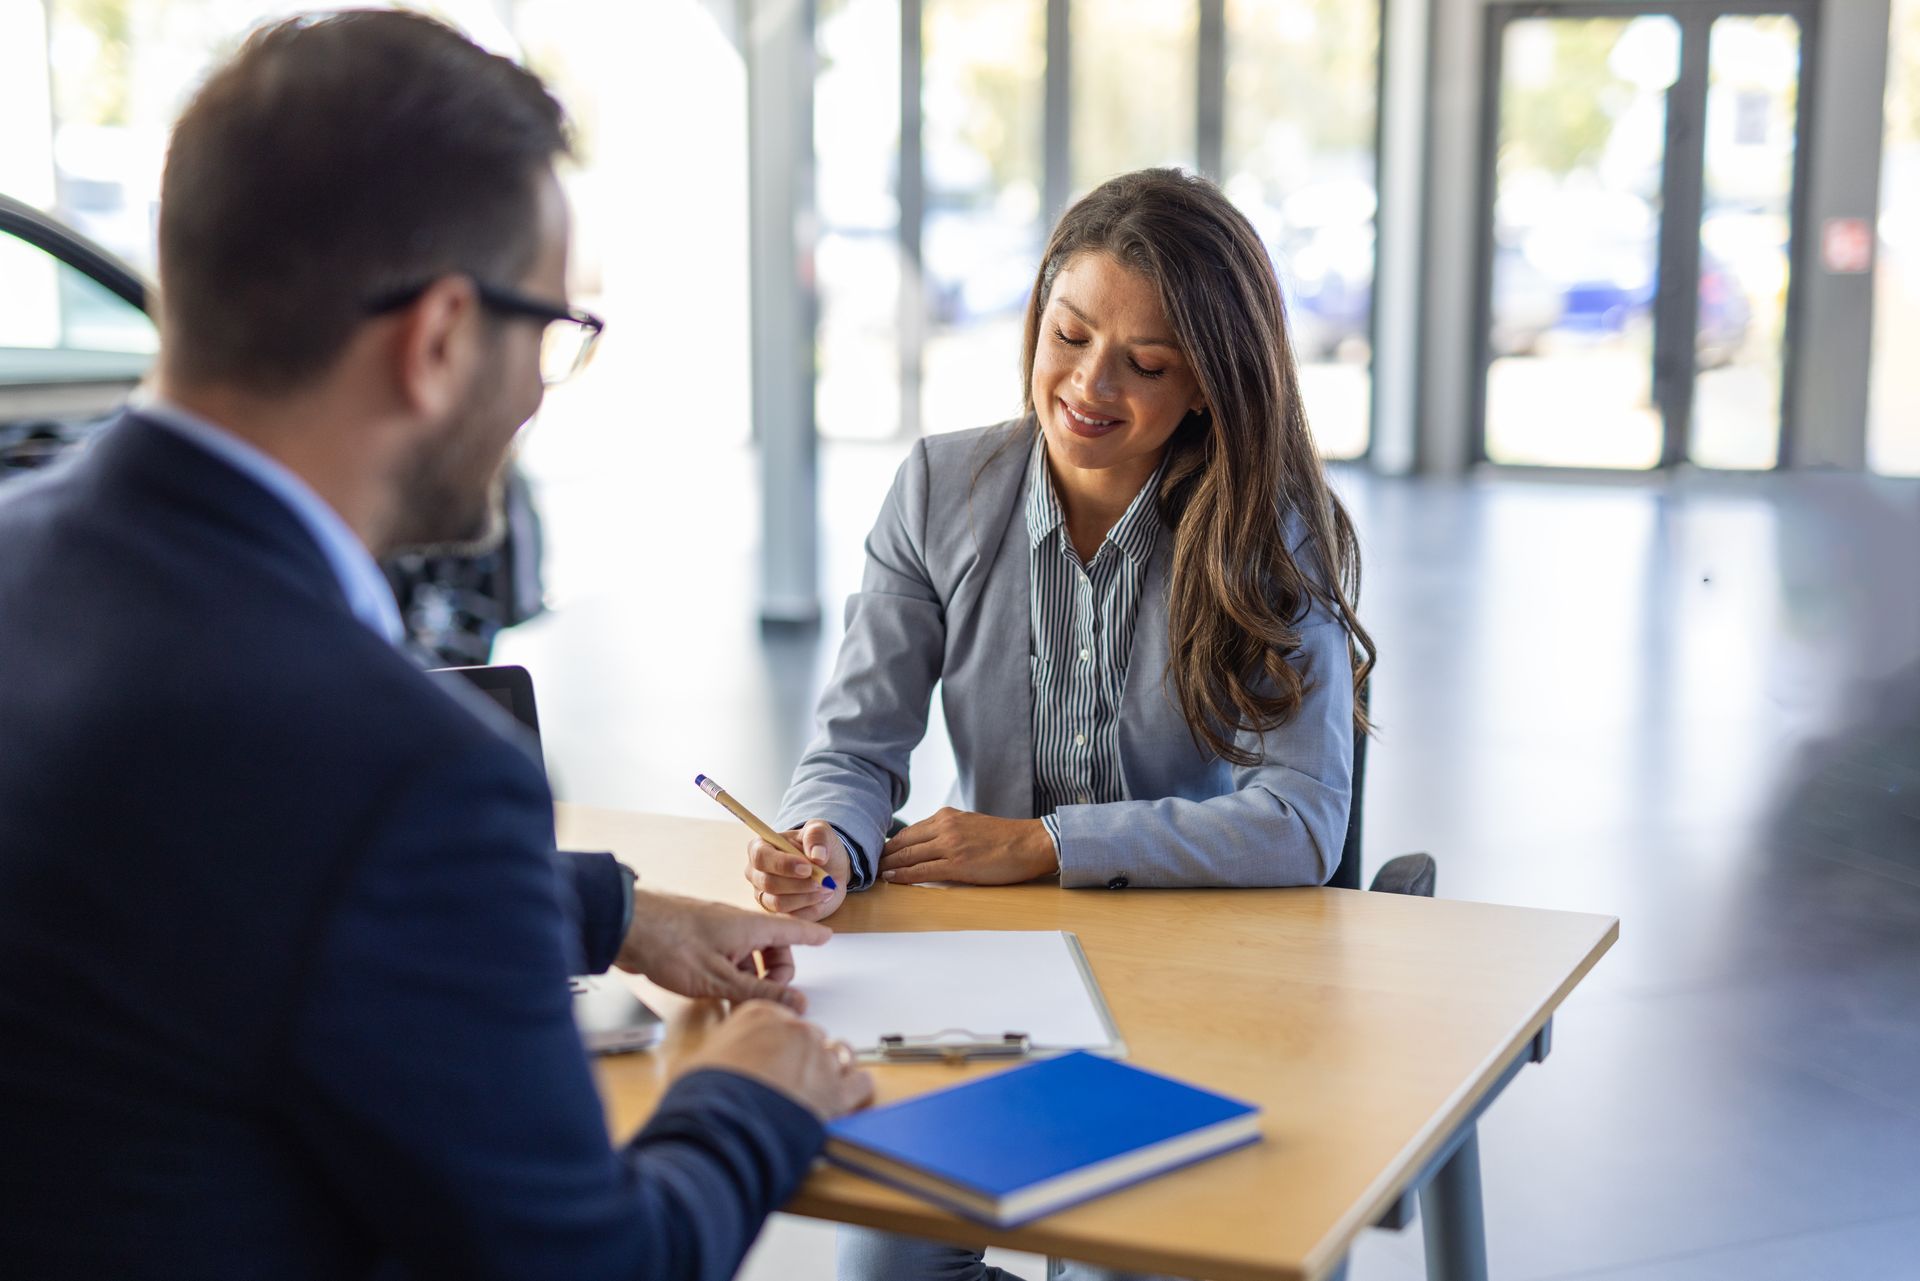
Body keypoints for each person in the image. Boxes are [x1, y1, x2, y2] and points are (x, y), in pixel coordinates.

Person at [0, 13, 869, 1281]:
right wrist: (753, 1097)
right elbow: (591, 1267)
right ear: (443, 339)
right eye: (553, 331)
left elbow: (207, 864)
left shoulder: (27, 555)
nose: (537, 387)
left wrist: (608, 912)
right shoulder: (410, 774)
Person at [743, 168, 1377, 1280]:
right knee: (887, 1267)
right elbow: (852, 749)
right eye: (1069, 335)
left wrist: (1045, 844)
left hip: (1193, 970)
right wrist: (826, 846)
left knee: (1115, 1252)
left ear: (1209, 390)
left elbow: (1300, 820)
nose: (1089, 386)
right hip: (985, 976)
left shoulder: (1272, 530)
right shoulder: (941, 488)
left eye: (1147, 365)